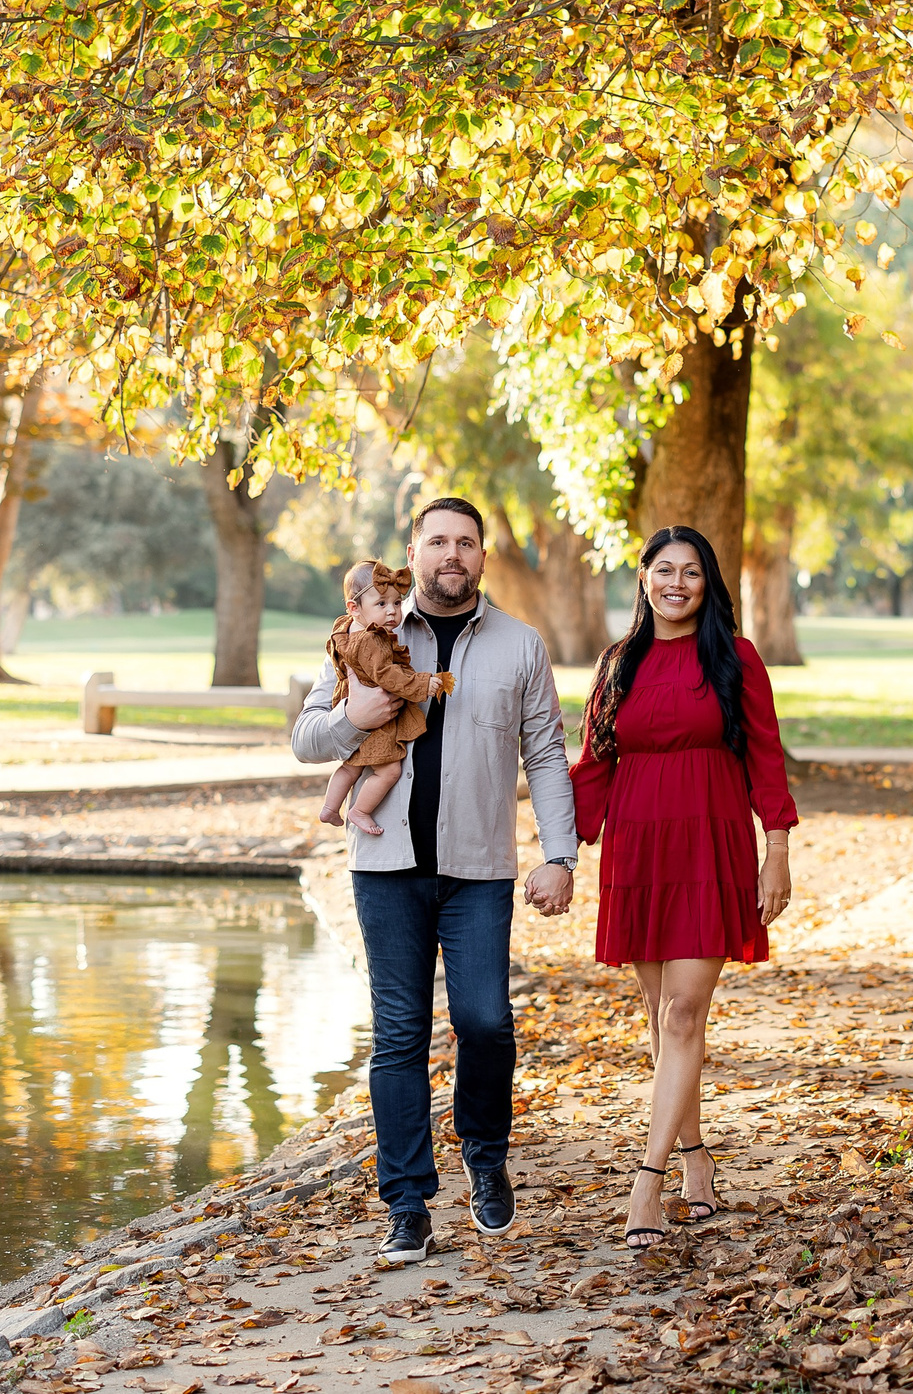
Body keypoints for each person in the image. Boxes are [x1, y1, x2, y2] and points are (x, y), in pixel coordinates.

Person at [290, 498, 580, 1266]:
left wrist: (560, 852)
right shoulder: (364, 634)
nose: (452, 553)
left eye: (466, 542)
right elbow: (305, 738)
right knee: (398, 1034)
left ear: (483, 556)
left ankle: (485, 1154)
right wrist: (354, 713)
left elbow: (546, 753)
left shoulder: (520, 645)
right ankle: (408, 1204)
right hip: (387, 872)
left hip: (479, 870)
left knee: (486, 1021)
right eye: (438, 540)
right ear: (413, 552)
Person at [568, 525, 797, 1249]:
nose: (676, 583)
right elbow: (593, 763)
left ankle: (649, 1177)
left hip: (710, 840)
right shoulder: (617, 664)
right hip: (639, 848)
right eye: (663, 570)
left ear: (708, 583)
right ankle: (697, 1157)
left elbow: (764, 752)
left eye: (690, 572)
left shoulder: (736, 658)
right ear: (642, 578)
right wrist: (561, 849)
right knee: (661, 1017)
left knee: (682, 1015)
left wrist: (777, 846)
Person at [317, 560, 455, 836]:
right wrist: (422, 683)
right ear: (354, 608)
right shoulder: (369, 641)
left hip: (350, 706)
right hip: (375, 717)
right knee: (389, 770)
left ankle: (330, 807)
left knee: (351, 767)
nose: (392, 612)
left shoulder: (346, 629)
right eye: (381, 604)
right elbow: (387, 675)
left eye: (397, 602)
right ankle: (360, 810)